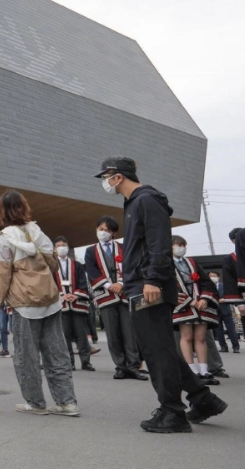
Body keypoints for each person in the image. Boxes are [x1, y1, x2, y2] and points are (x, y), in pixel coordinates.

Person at [95, 156, 226, 432]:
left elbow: (159, 242)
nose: (105, 182)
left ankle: (172, 413)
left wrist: (152, 280)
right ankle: (203, 399)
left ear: (118, 176)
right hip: (141, 285)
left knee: (156, 353)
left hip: (148, 287)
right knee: (161, 349)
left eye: (106, 176)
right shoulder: (134, 203)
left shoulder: (145, 200)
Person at [0, 191, 79, 417]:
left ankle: (35, 403)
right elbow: (54, 265)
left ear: (2, 211)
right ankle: (67, 402)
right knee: (57, 353)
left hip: (25, 303)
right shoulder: (37, 230)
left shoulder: (6, 237)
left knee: (26, 356)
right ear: (24, 207)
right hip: (50, 300)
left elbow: (2, 277)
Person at [85, 216, 145, 381]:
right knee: (113, 334)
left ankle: (134, 366)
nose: (103, 232)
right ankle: (120, 366)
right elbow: (91, 271)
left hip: (125, 294)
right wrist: (108, 285)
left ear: (113, 233)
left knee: (130, 332)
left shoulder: (123, 247)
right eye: (100, 229)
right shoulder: (91, 251)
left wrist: (120, 283)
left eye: (107, 230)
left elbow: (133, 266)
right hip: (105, 296)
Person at [169, 236, 220, 385]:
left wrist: (204, 298)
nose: (182, 248)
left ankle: (204, 370)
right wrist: (189, 300)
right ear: (170, 246)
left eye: (184, 245)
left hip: (200, 304)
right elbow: (168, 284)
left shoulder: (192, 262)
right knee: (186, 337)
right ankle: (192, 371)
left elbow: (206, 281)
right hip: (183, 304)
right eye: (178, 245)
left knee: (201, 338)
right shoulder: (166, 264)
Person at [53, 237, 95, 372]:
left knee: (81, 334)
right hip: (61, 305)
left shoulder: (76, 265)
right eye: (58, 245)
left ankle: (86, 362)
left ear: (67, 247)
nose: (61, 247)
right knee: (65, 335)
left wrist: (75, 294)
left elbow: (83, 281)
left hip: (77, 303)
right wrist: (62, 295)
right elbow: (50, 284)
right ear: (54, 249)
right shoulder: (52, 266)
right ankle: (69, 362)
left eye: (63, 245)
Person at [213, 269, 240, 354]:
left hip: (225, 309)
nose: (212, 278)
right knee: (218, 330)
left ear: (218, 277)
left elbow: (230, 295)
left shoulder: (224, 286)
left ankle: (236, 347)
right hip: (215, 310)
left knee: (231, 329)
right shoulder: (208, 287)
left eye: (214, 276)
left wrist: (225, 299)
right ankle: (223, 347)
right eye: (210, 276)